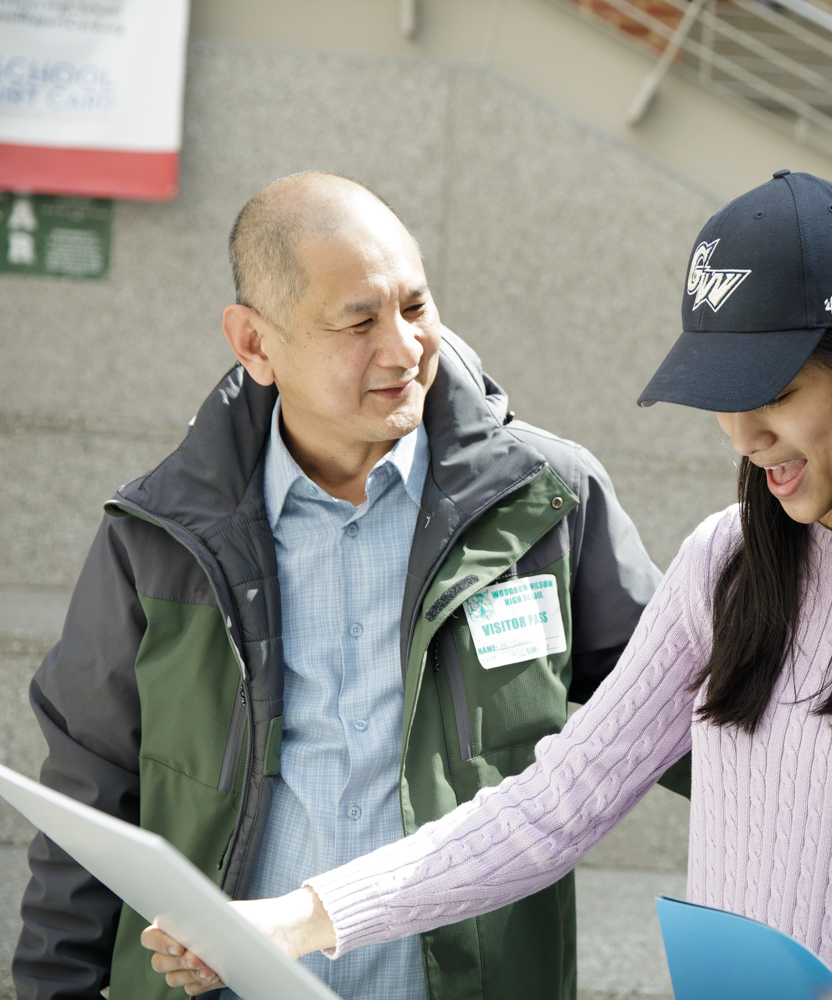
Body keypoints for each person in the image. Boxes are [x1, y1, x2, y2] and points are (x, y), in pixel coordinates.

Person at [143, 170, 832, 993]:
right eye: (724, 398)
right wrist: (302, 918)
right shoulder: (728, 565)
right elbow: (551, 803)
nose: (744, 434)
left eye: (775, 392)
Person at [14, 172, 673, 1000]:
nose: (403, 349)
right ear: (255, 344)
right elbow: (90, 796)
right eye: (359, 322)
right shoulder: (156, 539)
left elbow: (687, 719)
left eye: (416, 307)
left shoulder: (546, 504)